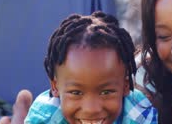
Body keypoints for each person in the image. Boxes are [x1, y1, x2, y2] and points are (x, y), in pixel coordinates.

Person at [19, 11, 157, 124]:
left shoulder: (139, 113)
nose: (91, 109)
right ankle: (20, 112)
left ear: (126, 86)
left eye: (106, 92)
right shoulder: (45, 117)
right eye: (76, 93)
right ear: (55, 87)